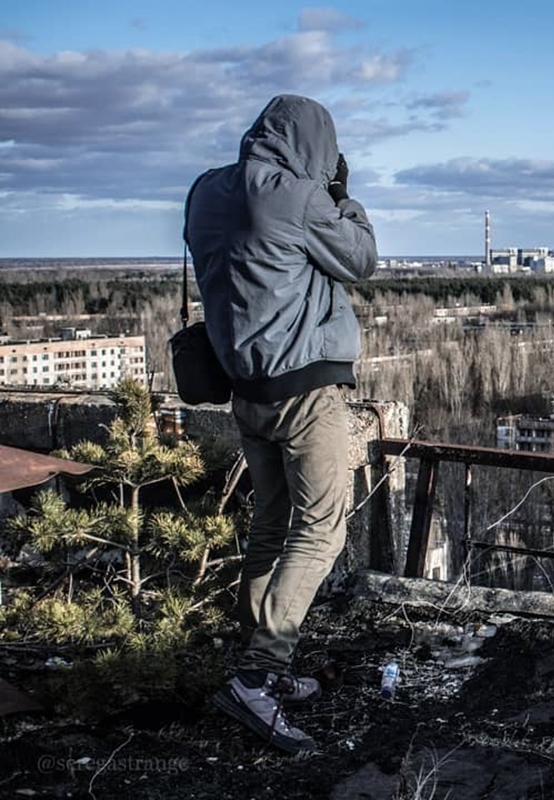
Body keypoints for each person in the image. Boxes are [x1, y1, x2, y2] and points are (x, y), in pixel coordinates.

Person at [184, 94, 378, 754]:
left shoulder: (207, 192)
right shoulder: (297, 196)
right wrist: (342, 196)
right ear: (316, 145)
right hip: (306, 391)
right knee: (321, 527)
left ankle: (263, 665)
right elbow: (359, 259)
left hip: (246, 391)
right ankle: (258, 678)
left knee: (272, 522)